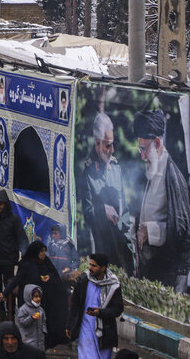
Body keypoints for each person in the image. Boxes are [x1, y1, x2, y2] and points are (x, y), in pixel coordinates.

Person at [134, 109, 190, 290]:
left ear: (157, 143)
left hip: (167, 273)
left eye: (144, 149)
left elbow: (182, 231)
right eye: (139, 148)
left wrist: (150, 230)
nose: (142, 156)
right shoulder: (152, 169)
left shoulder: (173, 177)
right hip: (150, 267)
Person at [79, 112, 131, 273]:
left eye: (112, 144)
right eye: (107, 145)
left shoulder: (116, 167)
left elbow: (124, 207)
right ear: (97, 143)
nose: (112, 150)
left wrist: (126, 230)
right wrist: (103, 210)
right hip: (101, 247)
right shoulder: (87, 172)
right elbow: (87, 212)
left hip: (122, 244)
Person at [1, 241, 67, 347]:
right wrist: (5, 293)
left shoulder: (46, 262)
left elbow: (54, 274)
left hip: (44, 300)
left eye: (45, 251)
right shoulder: (27, 264)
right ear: (35, 252)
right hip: (28, 300)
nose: (44, 254)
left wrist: (49, 276)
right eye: (41, 251)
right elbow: (16, 280)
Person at [66, 253, 123, 359]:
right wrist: (70, 325)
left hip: (105, 332)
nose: (90, 268)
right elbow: (75, 304)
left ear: (103, 268)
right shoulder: (83, 280)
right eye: (90, 264)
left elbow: (118, 309)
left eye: (94, 266)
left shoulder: (113, 285)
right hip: (86, 329)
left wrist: (100, 313)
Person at [15, 285, 46, 350]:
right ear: (29, 297)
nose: (38, 299)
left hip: (40, 341)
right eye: (36, 297)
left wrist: (44, 332)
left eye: (39, 296)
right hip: (28, 339)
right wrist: (31, 318)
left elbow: (44, 321)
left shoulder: (40, 309)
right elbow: (21, 322)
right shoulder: (23, 309)